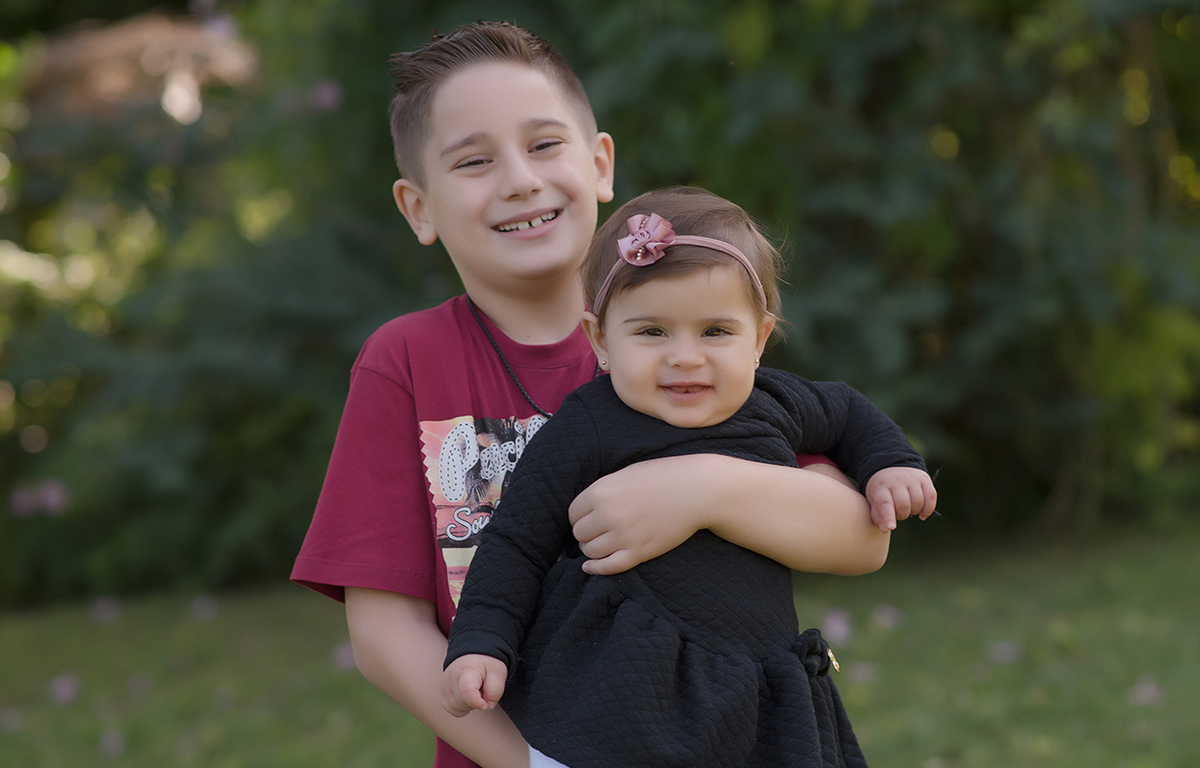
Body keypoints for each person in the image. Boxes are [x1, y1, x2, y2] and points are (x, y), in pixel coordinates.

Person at [292, 22, 912, 768]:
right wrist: (531, 764)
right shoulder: (408, 362)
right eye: (474, 160)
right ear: (418, 207)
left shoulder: (692, 344)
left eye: (544, 145)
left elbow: (860, 535)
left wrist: (703, 488)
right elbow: (385, 633)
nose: (519, 179)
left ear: (600, 163)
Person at [441, 187, 937, 768]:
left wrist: (891, 464)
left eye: (715, 332)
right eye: (651, 332)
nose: (684, 356)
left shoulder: (778, 403)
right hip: (623, 688)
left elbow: (850, 413)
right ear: (601, 339)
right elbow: (516, 542)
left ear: (758, 338)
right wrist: (481, 642)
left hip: (755, 681)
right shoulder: (590, 423)